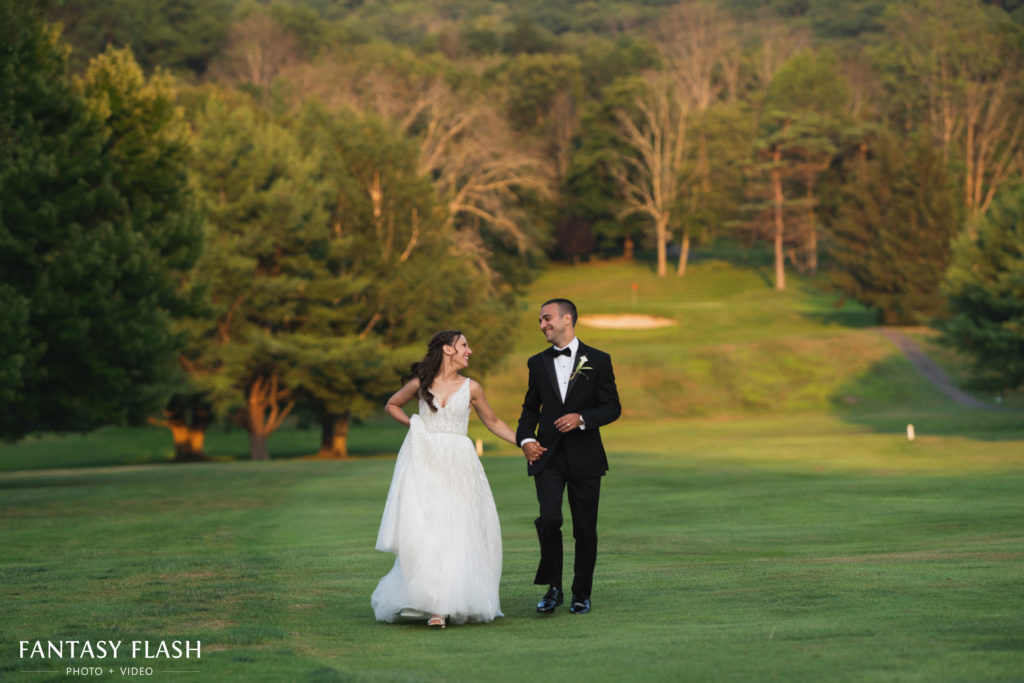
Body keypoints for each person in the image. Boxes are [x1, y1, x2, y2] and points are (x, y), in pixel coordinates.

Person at [371, 330, 517, 629]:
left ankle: (447, 603)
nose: (470, 351)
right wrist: (415, 425)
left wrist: (525, 442)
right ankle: (429, 601)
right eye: (464, 345)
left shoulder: (472, 388)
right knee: (428, 527)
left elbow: (493, 422)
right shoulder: (421, 384)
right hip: (425, 458)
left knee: (459, 525)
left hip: (460, 462)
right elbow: (392, 405)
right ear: (448, 349)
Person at [516, 299, 621, 615]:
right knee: (548, 519)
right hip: (547, 456)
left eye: (546, 318)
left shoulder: (599, 360)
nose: (542, 324)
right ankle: (553, 589)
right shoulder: (536, 363)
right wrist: (525, 439)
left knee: (585, 528)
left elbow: (612, 407)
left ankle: (581, 593)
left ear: (567, 319)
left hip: (585, 456)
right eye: (540, 320)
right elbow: (530, 409)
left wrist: (582, 418)